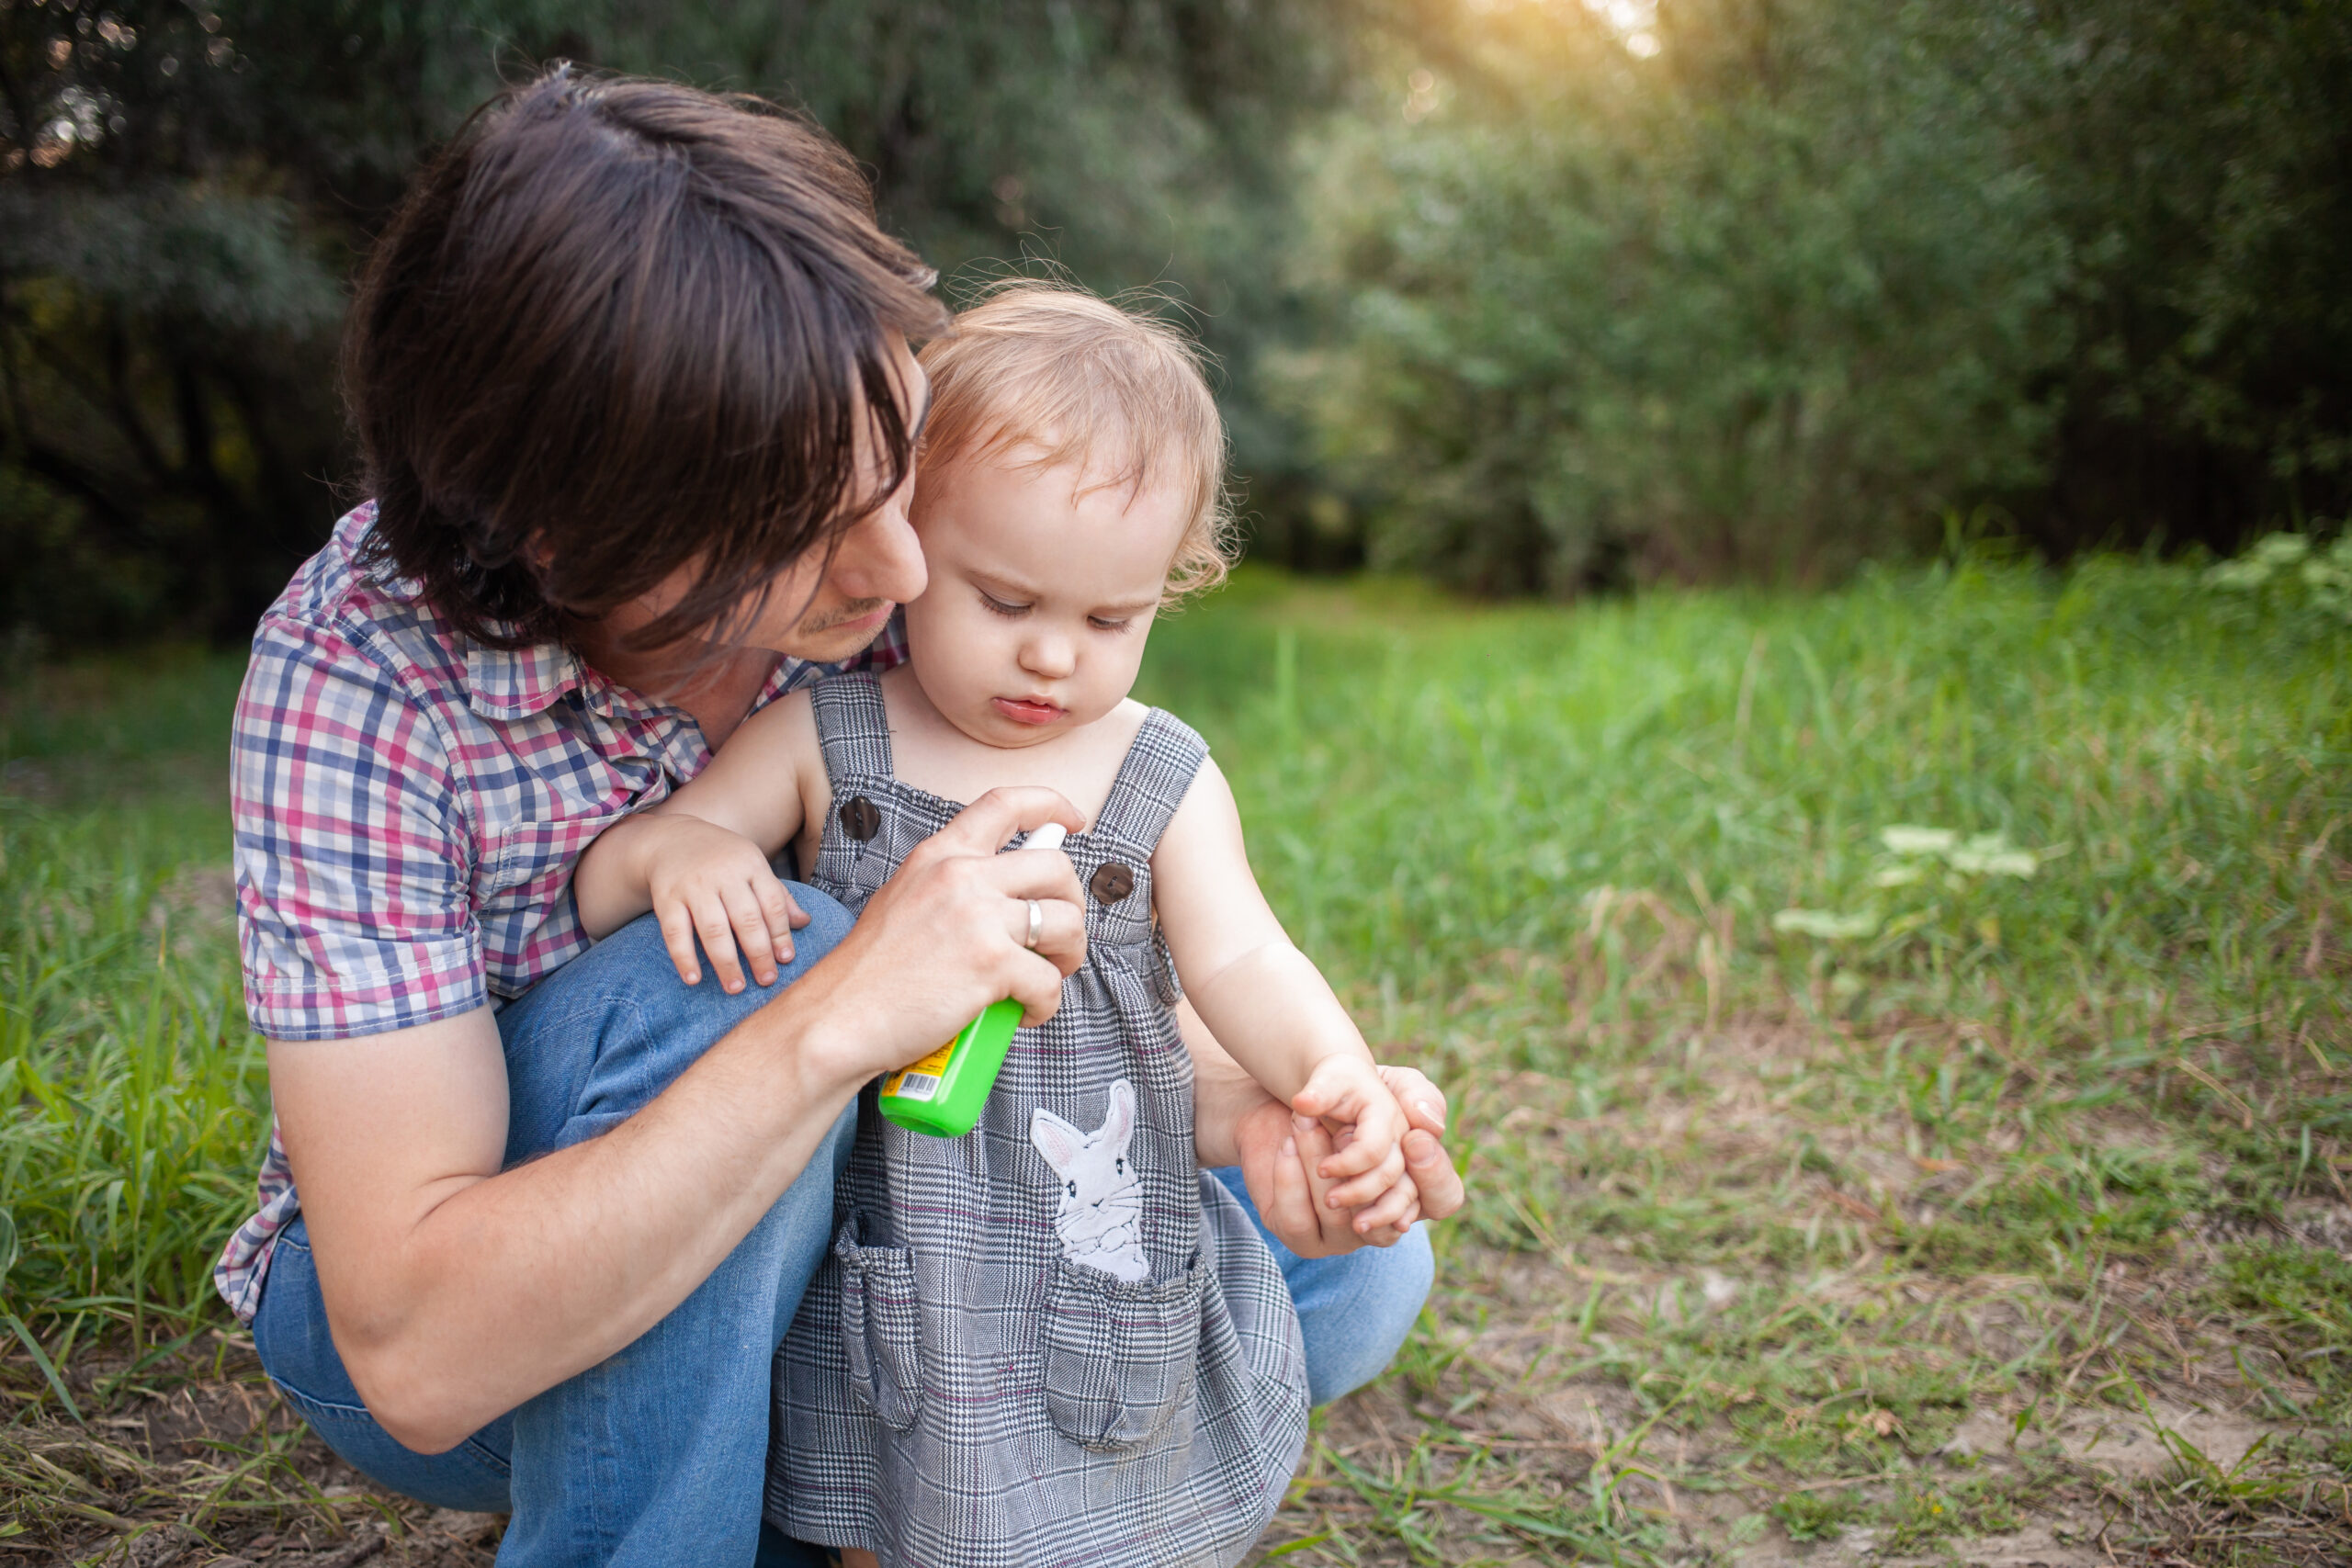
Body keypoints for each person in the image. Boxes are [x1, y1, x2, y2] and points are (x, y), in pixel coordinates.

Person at [218, 68, 1465, 1568]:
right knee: (750, 956)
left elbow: (1098, 993)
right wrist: (843, 1007)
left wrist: (1269, 1114)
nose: (905, 566)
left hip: (909, 1222)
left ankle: (873, 1461)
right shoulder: (364, 689)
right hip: (499, 1325)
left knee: (1349, 1272)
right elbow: (418, 1356)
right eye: (812, 522)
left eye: (900, 469)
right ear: (573, 544)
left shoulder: (921, 578)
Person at [571, 286, 1424, 1567]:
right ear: (910, 543)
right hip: (892, 1230)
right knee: (890, 1464)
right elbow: (616, 877)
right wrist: (688, 855)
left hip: (1097, 1228)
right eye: (1006, 601)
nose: (1052, 660)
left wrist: (1328, 1070)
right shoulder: (828, 739)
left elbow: (1245, 953)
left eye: (1107, 620)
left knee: (1111, 1459)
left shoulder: (1158, 774)